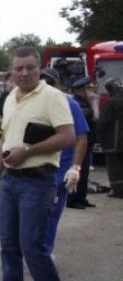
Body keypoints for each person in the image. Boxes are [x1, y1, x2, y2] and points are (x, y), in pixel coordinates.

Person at [0, 47, 75, 281]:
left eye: (30, 68)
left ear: (39, 68)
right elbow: (3, 142)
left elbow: (68, 136)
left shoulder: (52, 97)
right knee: (9, 247)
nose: (24, 73)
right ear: (10, 71)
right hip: (10, 182)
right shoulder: (11, 98)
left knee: (32, 248)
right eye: (19, 68)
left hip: (38, 181)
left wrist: (29, 150)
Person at [39, 68, 89, 255]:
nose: (46, 87)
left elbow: (81, 137)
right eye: (42, 82)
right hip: (39, 167)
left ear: (58, 84)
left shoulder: (70, 104)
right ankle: (36, 248)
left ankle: (46, 250)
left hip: (61, 169)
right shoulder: (35, 104)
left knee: (51, 210)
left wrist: (75, 168)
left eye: (50, 83)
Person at [66, 76, 96, 209]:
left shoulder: (84, 102)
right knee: (77, 171)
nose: (92, 91)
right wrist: (94, 102)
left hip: (88, 143)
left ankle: (82, 198)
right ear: (83, 89)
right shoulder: (77, 103)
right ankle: (72, 200)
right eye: (89, 88)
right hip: (80, 143)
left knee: (84, 173)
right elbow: (95, 117)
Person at [97, 77, 123, 198]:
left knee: (114, 168)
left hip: (113, 142)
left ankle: (118, 191)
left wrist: (99, 136)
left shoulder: (111, 102)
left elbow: (104, 122)